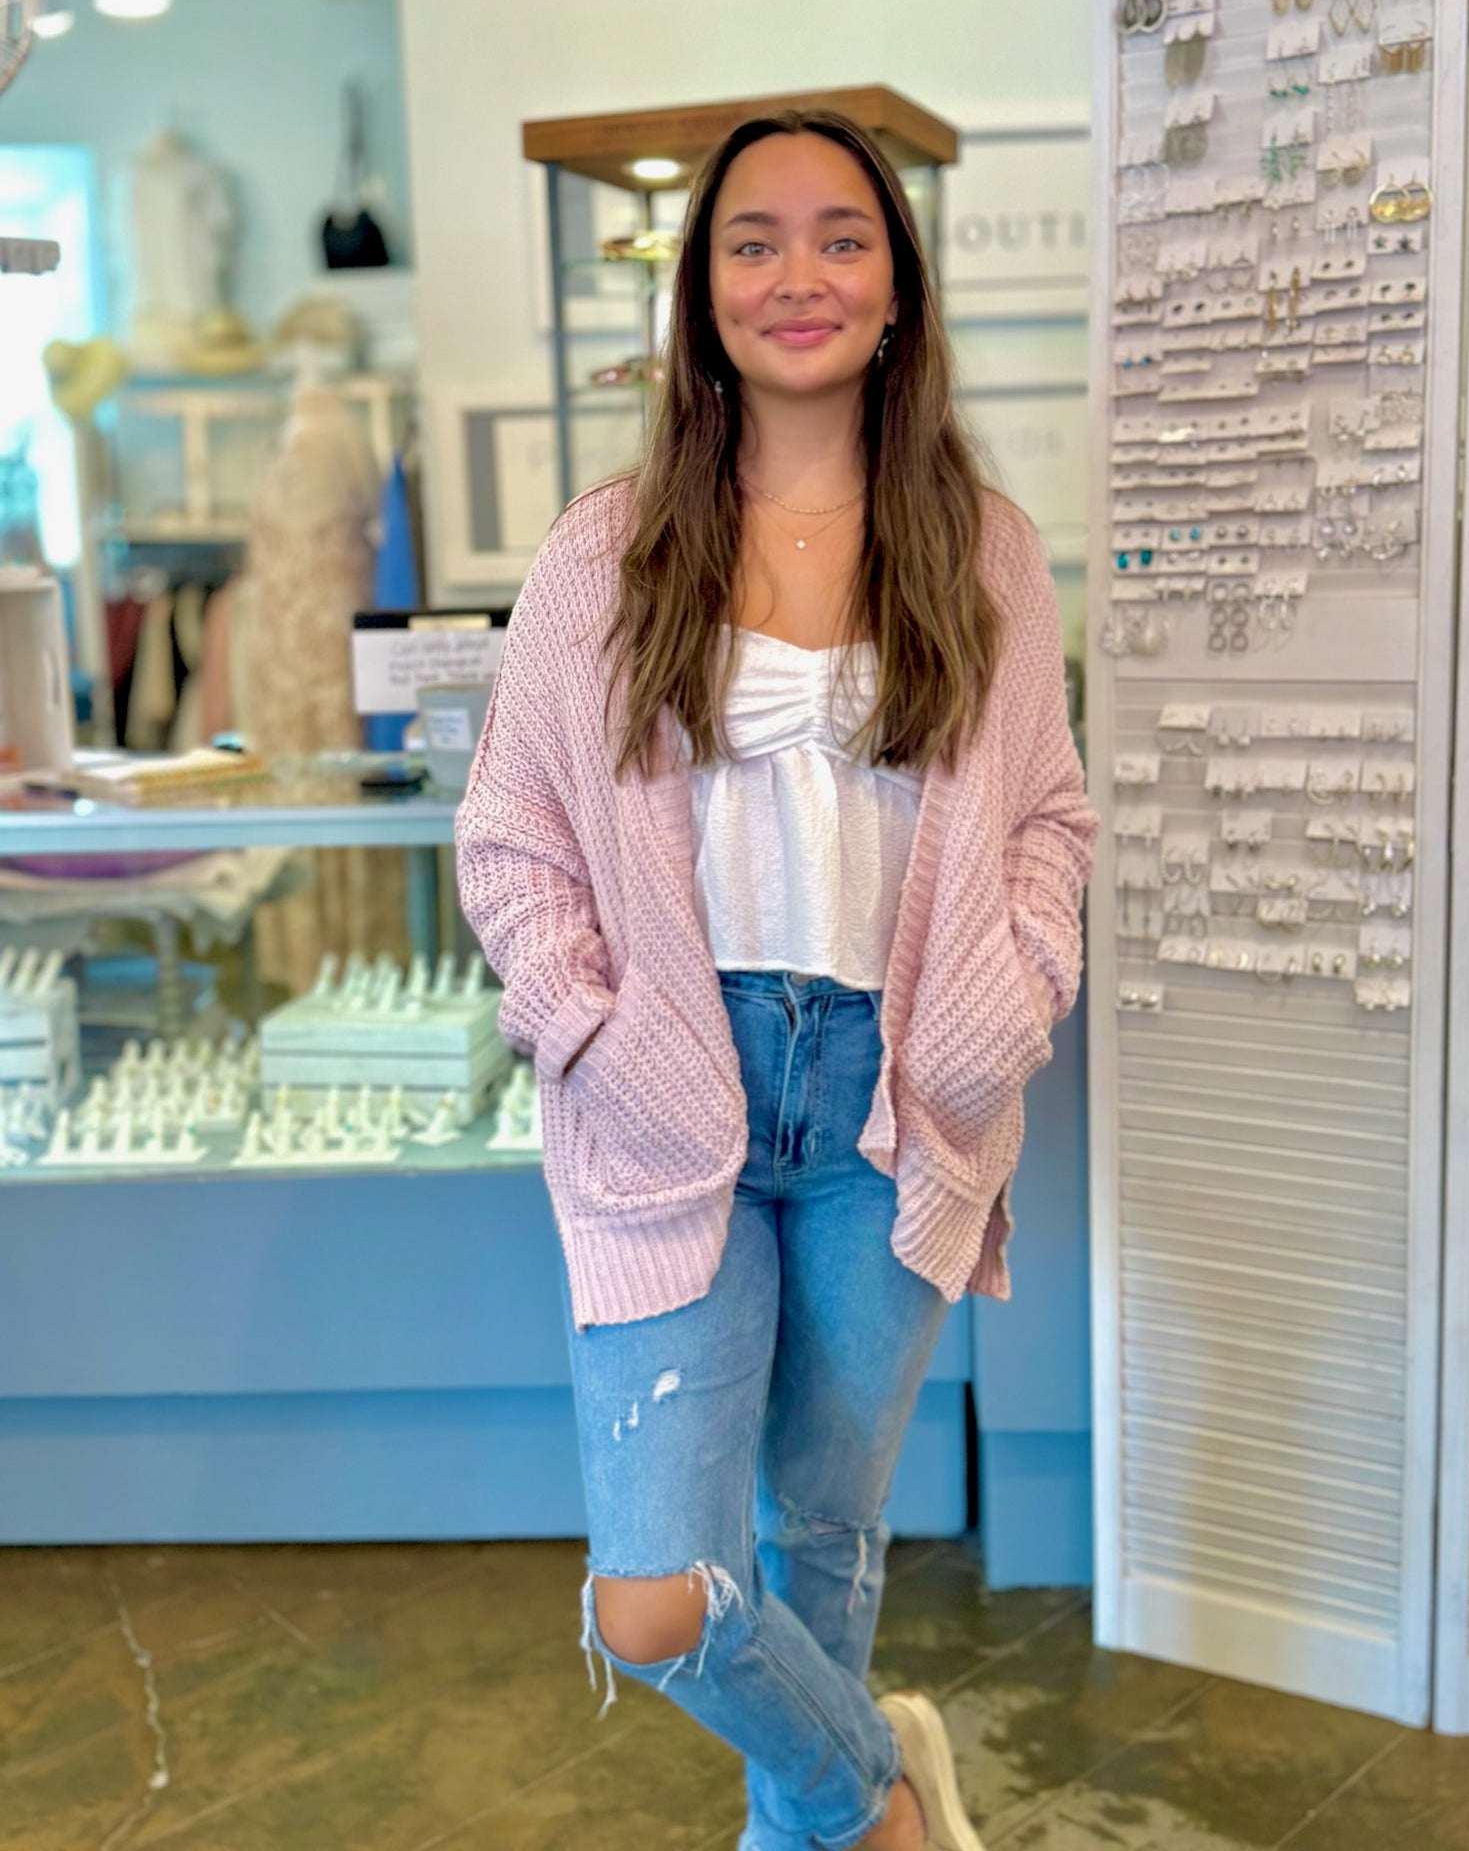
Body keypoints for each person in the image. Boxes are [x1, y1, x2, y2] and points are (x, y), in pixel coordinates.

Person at [455, 110, 1096, 1851]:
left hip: (898, 1093)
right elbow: (509, 837)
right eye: (753, 240)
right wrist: (594, 1027)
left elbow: (1047, 822)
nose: (796, 273)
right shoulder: (609, 548)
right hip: (672, 1089)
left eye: (839, 236)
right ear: (702, 287)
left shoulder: (985, 549)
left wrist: (1002, 1003)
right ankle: (877, 1798)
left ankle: (800, 1831)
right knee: (656, 1595)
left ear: (896, 283)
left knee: (824, 1534)